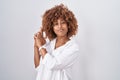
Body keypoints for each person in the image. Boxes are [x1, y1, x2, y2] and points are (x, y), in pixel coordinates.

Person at [34, 4, 79, 80]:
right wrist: (36, 45)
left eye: (63, 22)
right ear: (51, 27)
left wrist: (41, 46)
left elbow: (52, 64)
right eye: (56, 24)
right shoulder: (49, 44)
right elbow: (39, 67)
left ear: (69, 25)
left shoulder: (73, 47)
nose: (60, 27)